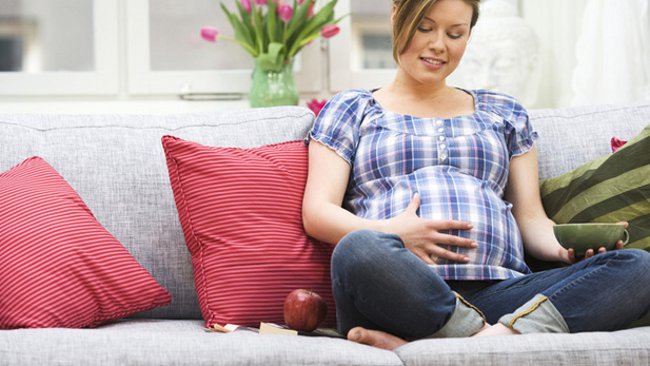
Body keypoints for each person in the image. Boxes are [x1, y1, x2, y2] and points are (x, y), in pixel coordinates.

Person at [301, 0, 650, 350]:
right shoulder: (353, 108)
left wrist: (566, 249)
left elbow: (531, 220)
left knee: (638, 266)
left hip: (500, 293)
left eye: (456, 33)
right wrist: (394, 233)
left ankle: (471, 341)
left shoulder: (504, 111)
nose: (440, 44)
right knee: (358, 250)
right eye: (425, 27)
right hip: (401, 289)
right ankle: (488, 341)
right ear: (396, 16)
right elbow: (318, 212)